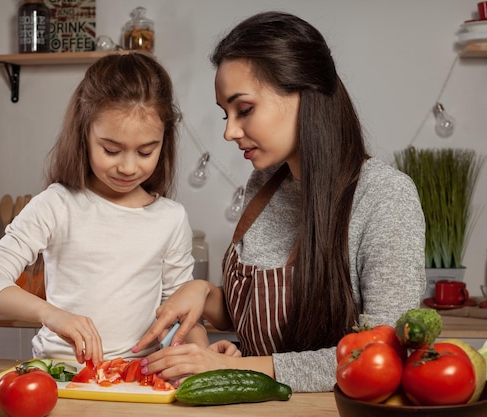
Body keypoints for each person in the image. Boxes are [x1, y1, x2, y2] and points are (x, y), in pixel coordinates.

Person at [133, 11, 426, 392]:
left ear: (304, 92)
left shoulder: (386, 197)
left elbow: (385, 355)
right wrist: (205, 294)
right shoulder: (266, 182)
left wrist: (229, 367)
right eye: (226, 114)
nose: (229, 131)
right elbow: (261, 319)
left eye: (245, 110)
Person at [0, 53, 209, 365]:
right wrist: (51, 314)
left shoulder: (171, 218)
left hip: (136, 379)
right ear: (84, 134)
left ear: (164, 142)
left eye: (145, 151)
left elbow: (179, 311)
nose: (127, 166)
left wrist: (202, 349)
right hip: (59, 375)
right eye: (111, 150)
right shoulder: (57, 204)